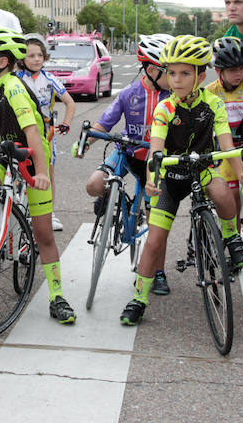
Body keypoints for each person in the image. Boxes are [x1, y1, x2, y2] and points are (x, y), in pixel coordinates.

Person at [120, 35, 243, 325]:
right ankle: (139, 297)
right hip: (171, 177)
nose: (176, 80)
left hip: (200, 170)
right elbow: (156, 149)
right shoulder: (165, 108)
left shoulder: (213, 103)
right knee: (154, 241)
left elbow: (226, 143)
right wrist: (152, 177)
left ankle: (231, 236)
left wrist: (241, 171)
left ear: (201, 75)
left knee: (224, 194)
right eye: (171, 73)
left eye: (185, 73)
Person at [0, 26, 76, 324]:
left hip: (31, 154)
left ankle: (57, 295)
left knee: (43, 233)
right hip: (3, 151)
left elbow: (32, 134)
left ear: (0, 62)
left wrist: (41, 174)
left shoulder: (13, 87)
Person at [73, 34, 172, 293]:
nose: (173, 75)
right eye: (168, 70)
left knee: (155, 222)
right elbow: (104, 123)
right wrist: (83, 144)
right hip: (126, 154)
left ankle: (158, 272)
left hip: (154, 162)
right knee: (94, 185)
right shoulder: (130, 93)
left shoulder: (173, 97)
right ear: (151, 70)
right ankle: (111, 201)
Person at [17, 33, 76, 231]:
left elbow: (70, 103)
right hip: (22, 133)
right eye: (30, 56)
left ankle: (48, 213)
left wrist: (66, 123)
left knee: (48, 175)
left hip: (46, 135)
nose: (35, 59)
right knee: (20, 174)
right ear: (22, 59)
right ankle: (20, 210)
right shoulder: (16, 79)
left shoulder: (50, 79)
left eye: (39, 55)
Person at [205, 36, 243, 270]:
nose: (239, 74)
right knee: (231, 200)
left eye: (242, 68)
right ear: (219, 70)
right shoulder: (210, 92)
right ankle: (231, 242)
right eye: (233, 70)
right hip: (222, 153)